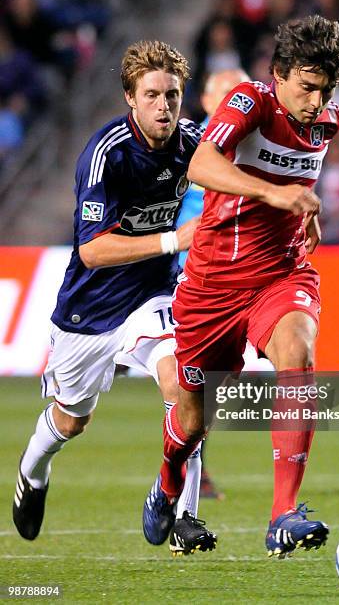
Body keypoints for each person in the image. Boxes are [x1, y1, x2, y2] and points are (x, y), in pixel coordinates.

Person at [144, 15, 339, 558]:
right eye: (306, 86)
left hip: (281, 274)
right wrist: (275, 195)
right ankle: (168, 482)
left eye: (326, 89)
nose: (316, 99)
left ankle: (283, 513)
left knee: (298, 354)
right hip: (213, 283)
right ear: (280, 74)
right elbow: (202, 163)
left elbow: (299, 178)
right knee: (192, 417)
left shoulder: (328, 121)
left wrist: (305, 208)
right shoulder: (249, 101)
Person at [12, 39, 216, 555]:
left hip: (152, 296)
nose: (164, 105)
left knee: (183, 380)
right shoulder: (106, 155)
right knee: (70, 421)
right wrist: (175, 238)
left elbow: (239, 172)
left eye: (172, 94)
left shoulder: (193, 144)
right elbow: (93, 250)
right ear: (130, 97)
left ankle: (182, 510)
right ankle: (32, 474)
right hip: (88, 310)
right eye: (151, 95)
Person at [177, 68, 249, 501]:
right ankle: (186, 465)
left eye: (239, 93)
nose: (231, 102)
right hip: (188, 270)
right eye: (223, 93)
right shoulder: (190, 145)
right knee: (185, 378)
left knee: (217, 380)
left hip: (238, 272)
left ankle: (194, 457)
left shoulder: (257, 143)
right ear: (206, 101)